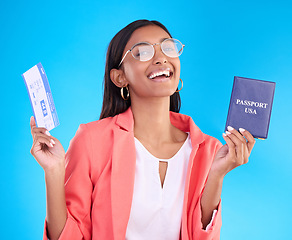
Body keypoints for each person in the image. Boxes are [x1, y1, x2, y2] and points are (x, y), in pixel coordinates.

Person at [30, 19, 255, 240]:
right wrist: (54, 171)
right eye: (142, 52)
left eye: (168, 47)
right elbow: (70, 236)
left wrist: (216, 174)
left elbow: (202, 236)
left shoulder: (208, 149)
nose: (161, 58)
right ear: (120, 77)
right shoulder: (92, 141)